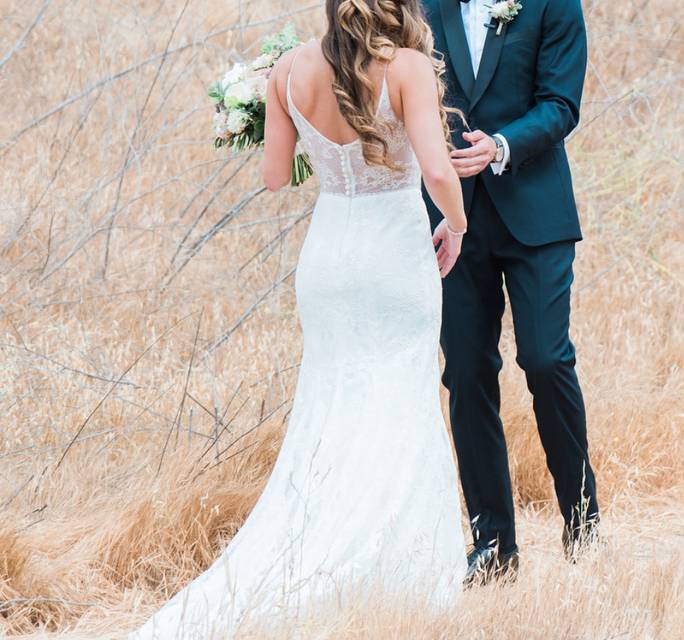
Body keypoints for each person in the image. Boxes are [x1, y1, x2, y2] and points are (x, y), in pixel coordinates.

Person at [127, 1, 469, 636]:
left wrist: (282, 117)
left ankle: (314, 540)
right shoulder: (411, 69)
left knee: (329, 401)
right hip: (393, 254)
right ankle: (390, 565)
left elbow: (275, 179)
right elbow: (437, 167)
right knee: (400, 397)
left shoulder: (287, 70)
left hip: (327, 259)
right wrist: (457, 221)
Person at [420, 0, 600, 585]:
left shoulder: (553, 5)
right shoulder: (421, 7)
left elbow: (560, 104)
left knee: (546, 360)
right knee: (467, 374)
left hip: (536, 215)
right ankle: (493, 544)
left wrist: (499, 147)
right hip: (451, 220)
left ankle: (582, 522)